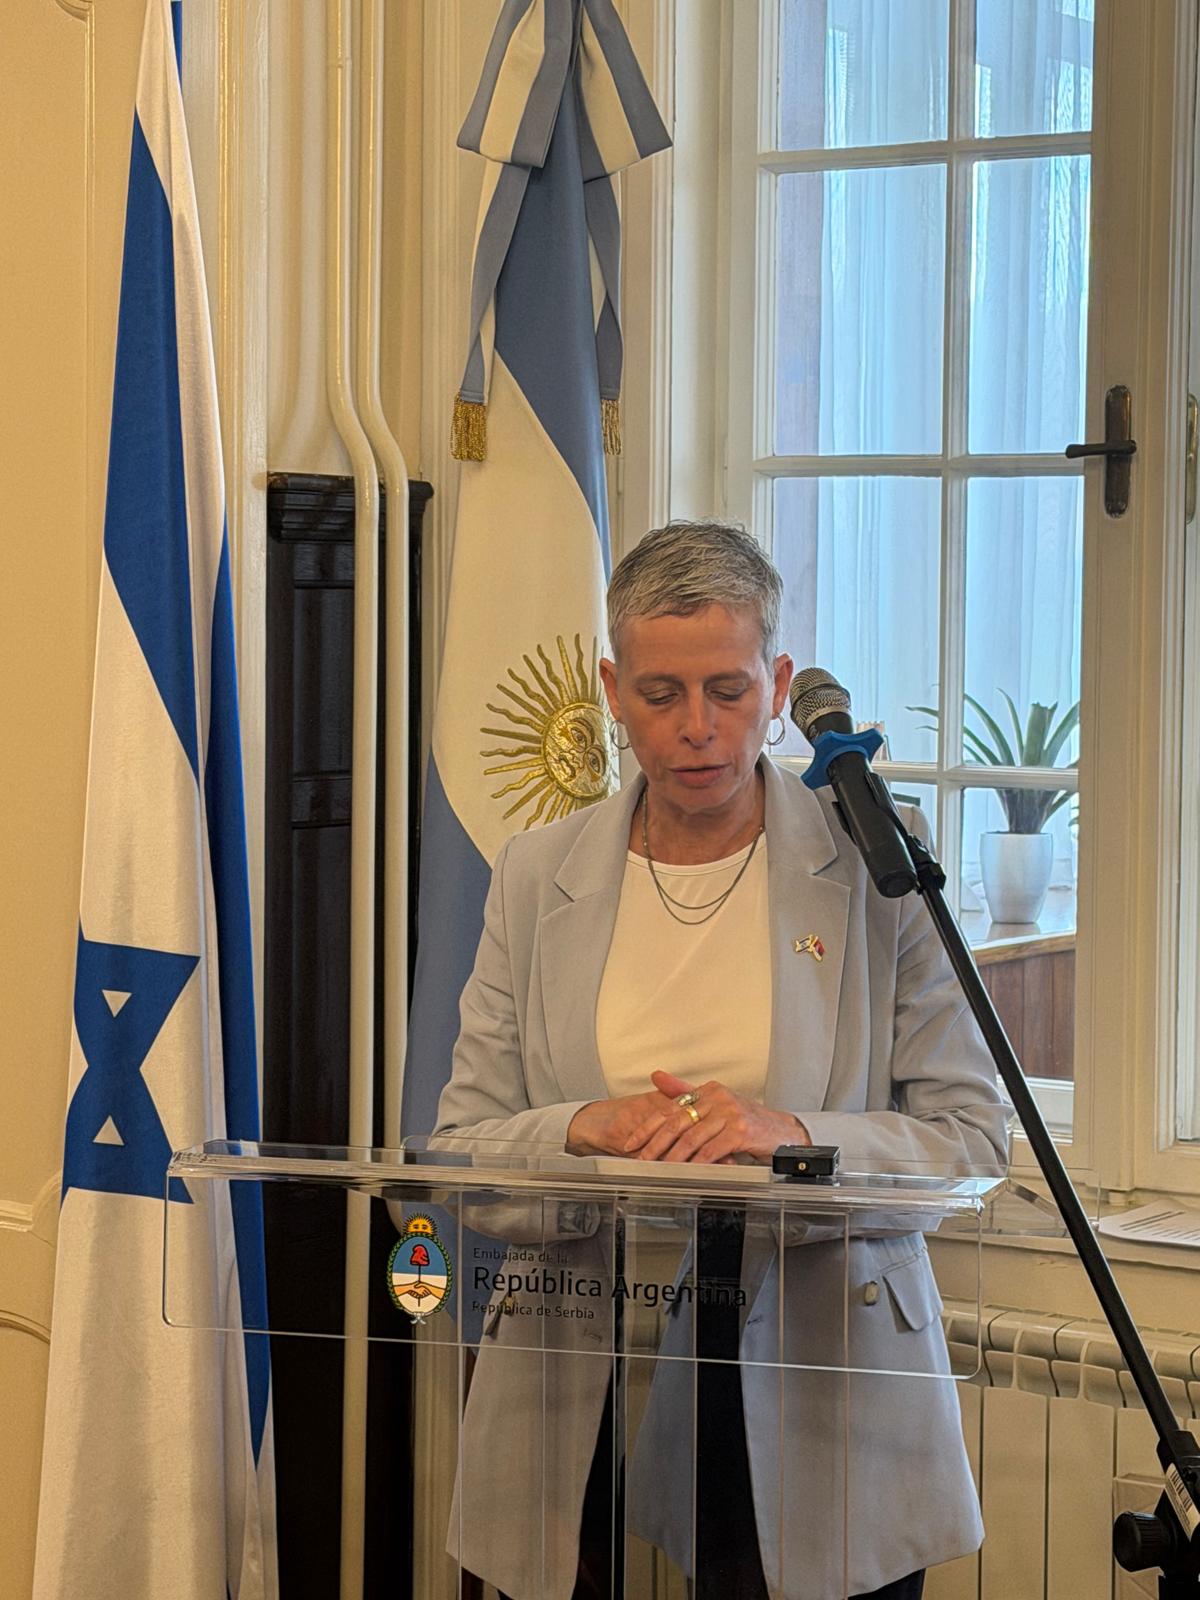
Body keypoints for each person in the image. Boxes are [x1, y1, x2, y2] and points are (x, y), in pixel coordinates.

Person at [433, 521, 1008, 1600]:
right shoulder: (536, 874)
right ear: (612, 690)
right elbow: (459, 1148)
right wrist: (580, 1127)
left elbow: (970, 1142)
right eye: (660, 694)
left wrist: (790, 1137)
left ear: (779, 686)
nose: (697, 727)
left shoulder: (879, 863)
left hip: (821, 1390)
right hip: (574, 1377)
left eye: (729, 690)